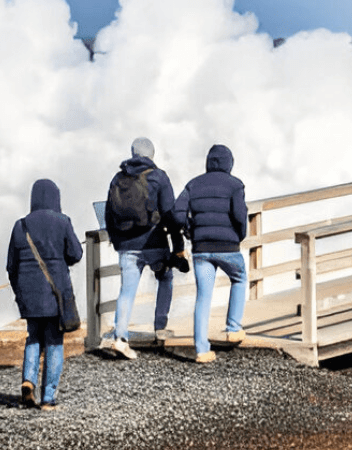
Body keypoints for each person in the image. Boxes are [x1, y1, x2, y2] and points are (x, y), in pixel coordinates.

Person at [103, 137, 186, 359]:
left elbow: (108, 213)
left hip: (127, 246)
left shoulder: (118, 178)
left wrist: (117, 240)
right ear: (152, 154)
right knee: (165, 278)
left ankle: (120, 338)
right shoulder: (159, 177)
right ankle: (160, 328)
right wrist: (178, 246)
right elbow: (171, 214)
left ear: (132, 153)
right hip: (154, 243)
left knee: (127, 292)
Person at [6, 178, 82, 409]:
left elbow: (11, 265)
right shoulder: (62, 221)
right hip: (55, 293)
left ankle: (28, 381)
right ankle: (48, 398)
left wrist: (20, 293)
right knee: (54, 343)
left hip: (29, 295)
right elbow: (76, 254)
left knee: (33, 338)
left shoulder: (20, 225)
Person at [174, 144, 248, 363]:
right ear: (229, 163)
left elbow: (177, 213)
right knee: (239, 278)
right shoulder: (235, 185)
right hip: (228, 248)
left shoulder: (193, 184)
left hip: (202, 249)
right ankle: (233, 328)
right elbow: (240, 215)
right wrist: (239, 236)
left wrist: (189, 229)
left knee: (203, 297)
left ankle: (201, 350)